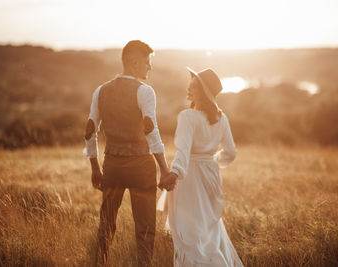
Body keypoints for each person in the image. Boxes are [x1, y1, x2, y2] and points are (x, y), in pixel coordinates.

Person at [83, 40, 175, 266]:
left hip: (112, 166)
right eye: (146, 63)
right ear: (134, 64)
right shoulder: (145, 91)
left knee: (106, 225)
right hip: (140, 168)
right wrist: (164, 170)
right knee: (145, 230)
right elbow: (151, 131)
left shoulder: (101, 91)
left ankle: (101, 263)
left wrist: (95, 168)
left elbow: (89, 131)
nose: (149, 68)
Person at [158, 67, 243, 266]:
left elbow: (183, 150)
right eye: (190, 84)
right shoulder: (222, 118)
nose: (189, 88)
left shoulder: (187, 116)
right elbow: (231, 152)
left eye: (194, 86)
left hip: (189, 177)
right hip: (211, 175)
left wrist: (175, 172)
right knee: (208, 228)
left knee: (189, 232)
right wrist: (213, 161)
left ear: (204, 91)